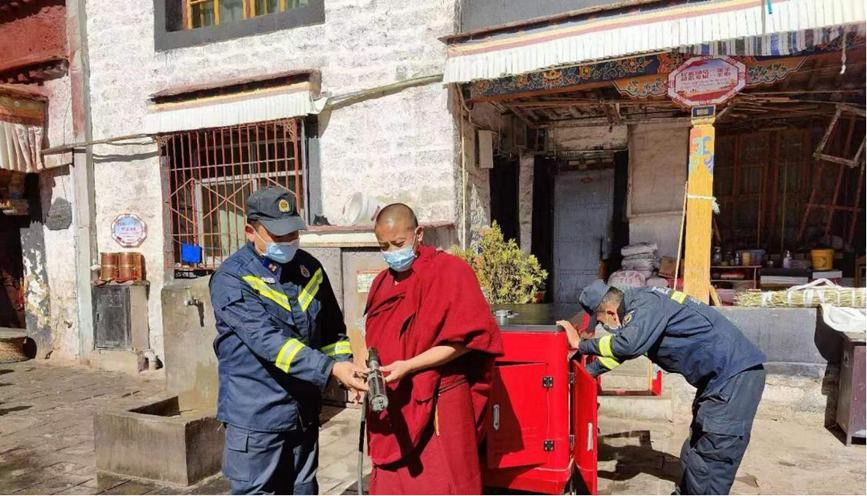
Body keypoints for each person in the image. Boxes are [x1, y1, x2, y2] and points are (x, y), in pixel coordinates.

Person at [210, 187, 367, 495]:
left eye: (293, 233)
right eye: (278, 235)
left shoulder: (309, 269)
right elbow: (270, 342)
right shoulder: (232, 278)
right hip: (257, 418)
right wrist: (331, 370)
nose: (287, 241)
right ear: (251, 232)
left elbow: (332, 331)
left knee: (303, 489)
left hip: (302, 413)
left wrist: (344, 364)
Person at [560, 280, 766, 495]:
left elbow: (627, 346)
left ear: (611, 312)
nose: (605, 327)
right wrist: (583, 373)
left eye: (601, 321)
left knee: (710, 462)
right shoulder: (642, 306)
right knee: (693, 454)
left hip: (733, 379)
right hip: (721, 380)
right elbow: (621, 352)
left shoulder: (645, 304)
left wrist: (580, 345)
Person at [363, 203, 504, 494]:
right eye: (383, 246)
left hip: (441, 397)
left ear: (418, 234)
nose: (391, 252)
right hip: (393, 397)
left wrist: (409, 366)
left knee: (443, 481)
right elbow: (376, 340)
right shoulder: (381, 283)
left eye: (398, 243)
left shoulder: (450, 271)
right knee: (393, 482)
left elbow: (467, 342)